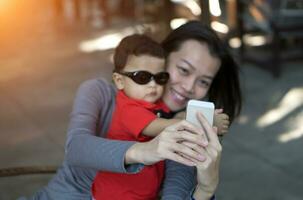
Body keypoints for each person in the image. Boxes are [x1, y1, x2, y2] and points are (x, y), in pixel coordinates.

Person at [25, 20, 241, 200]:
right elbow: (76, 148)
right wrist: (148, 151)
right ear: (161, 59)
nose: (189, 87)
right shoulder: (101, 94)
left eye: (203, 82)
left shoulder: (184, 131)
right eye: (183, 70)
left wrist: (205, 189)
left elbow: (176, 194)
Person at [92, 34, 181, 199]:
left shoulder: (151, 102)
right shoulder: (128, 109)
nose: (153, 85)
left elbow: (171, 112)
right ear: (119, 81)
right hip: (118, 195)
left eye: (160, 77)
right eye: (143, 77)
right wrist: (199, 119)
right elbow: (158, 126)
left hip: (142, 192)